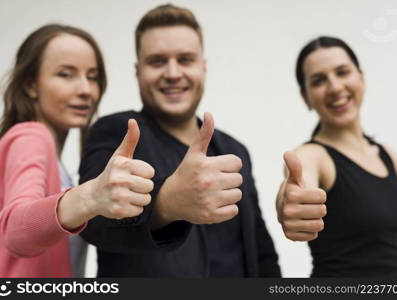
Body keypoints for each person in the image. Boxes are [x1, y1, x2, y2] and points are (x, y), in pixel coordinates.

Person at [79, 4, 281, 277]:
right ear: (138, 71)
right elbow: (92, 220)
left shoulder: (234, 151)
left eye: (185, 59)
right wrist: (166, 203)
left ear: (203, 67)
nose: (173, 73)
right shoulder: (116, 133)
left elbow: (261, 251)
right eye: (157, 61)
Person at [0, 24, 154, 277]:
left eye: (92, 76)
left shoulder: (55, 161)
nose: (85, 90)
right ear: (30, 84)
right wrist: (89, 197)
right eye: (66, 74)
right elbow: (15, 230)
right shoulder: (30, 137)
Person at [276, 36, 397, 277]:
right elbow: (297, 185)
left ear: (361, 77)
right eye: (319, 80)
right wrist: (290, 200)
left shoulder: (388, 156)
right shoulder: (313, 156)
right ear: (306, 97)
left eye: (342, 72)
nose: (335, 87)